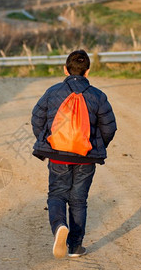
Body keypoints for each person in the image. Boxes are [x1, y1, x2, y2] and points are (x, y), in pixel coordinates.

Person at [31, 50, 117, 258]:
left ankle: (60, 225)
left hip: (58, 154)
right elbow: (109, 127)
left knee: (57, 195)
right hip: (86, 157)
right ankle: (75, 247)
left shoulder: (53, 92)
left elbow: (37, 118)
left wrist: (48, 141)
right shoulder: (98, 95)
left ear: (65, 69)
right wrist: (95, 146)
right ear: (88, 71)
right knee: (79, 200)